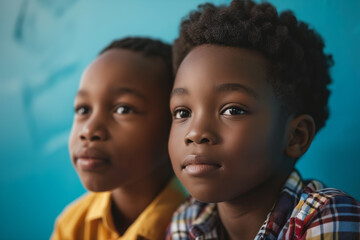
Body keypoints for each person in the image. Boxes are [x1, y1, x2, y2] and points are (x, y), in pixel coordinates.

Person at [166, 1, 360, 239]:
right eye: (182, 113)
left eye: (233, 110)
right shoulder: (186, 220)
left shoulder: (327, 215)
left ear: (295, 136)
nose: (195, 132)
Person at [51, 37, 188, 240]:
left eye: (123, 109)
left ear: (175, 122)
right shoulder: (73, 223)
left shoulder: (196, 227)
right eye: (83, 109)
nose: (89, 130)